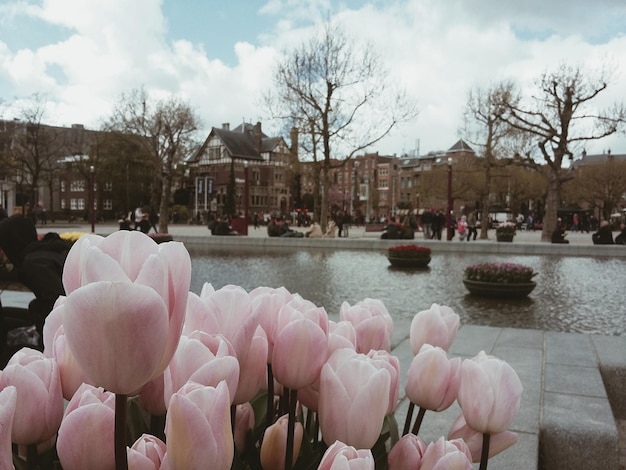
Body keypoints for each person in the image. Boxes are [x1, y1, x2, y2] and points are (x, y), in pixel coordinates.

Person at [0, 215, 68, 343]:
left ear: (11, 242)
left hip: (65, 334)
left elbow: (56, 303)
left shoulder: (33, 264)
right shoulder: (45, 252)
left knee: (35, 307)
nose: (2, 252)